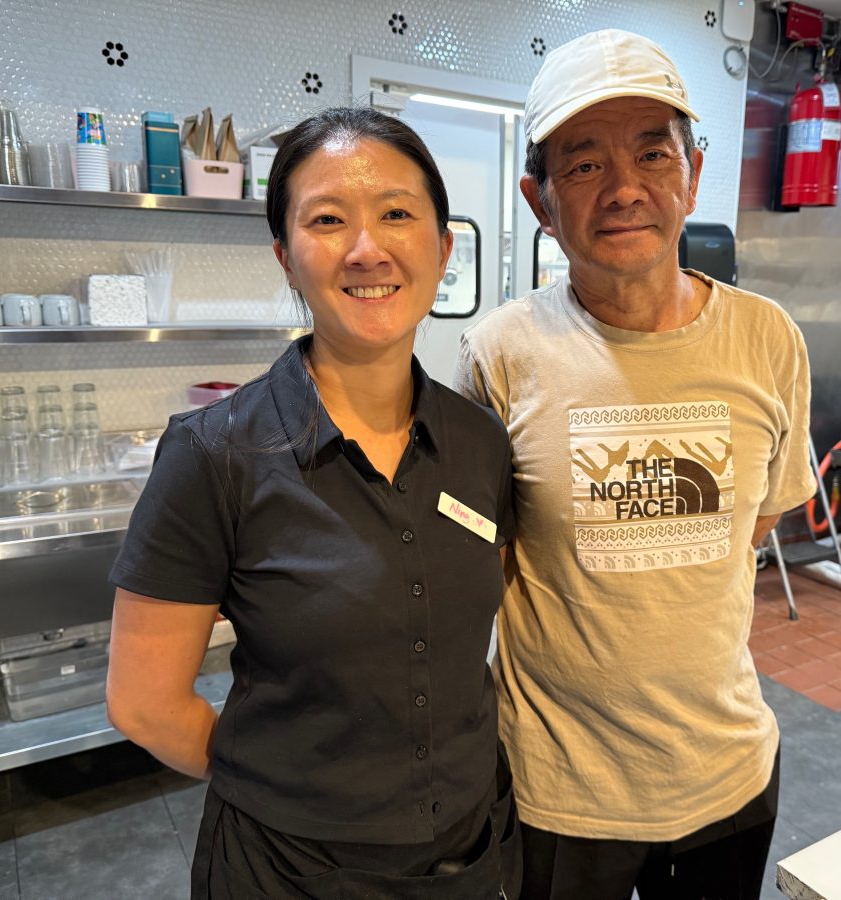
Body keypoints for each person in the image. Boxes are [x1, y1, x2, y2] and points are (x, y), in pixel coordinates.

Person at [106, 107, 520, 900]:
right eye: (328, 221)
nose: (367, 250)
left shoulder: (480, 443)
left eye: (397, 214)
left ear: (442, 247)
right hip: (285, 874)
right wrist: (288, 791)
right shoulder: (213, 454)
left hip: (472, 854)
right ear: (286, 259)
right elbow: (144, 702)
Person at [454, 29, 815, 900]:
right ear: (538, 200)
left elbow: (755, 520)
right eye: (582, 166)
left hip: (726, 775)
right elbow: (480, 564)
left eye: (653, 152)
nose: (623, 190)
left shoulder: (767, 339)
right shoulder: (499, 354)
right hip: (560, 795)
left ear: (692, 170)